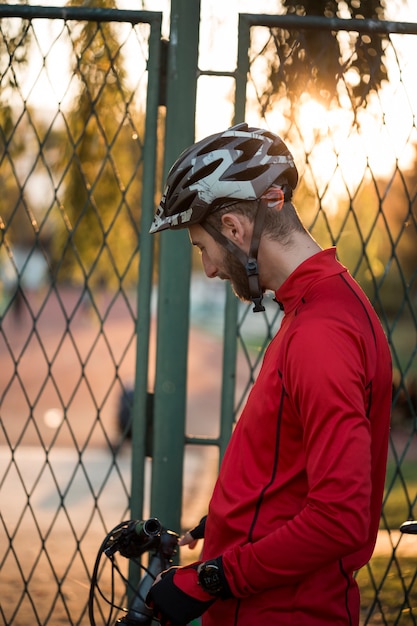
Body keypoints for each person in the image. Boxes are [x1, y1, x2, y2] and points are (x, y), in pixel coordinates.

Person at [146, 123, 392, 626]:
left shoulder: (322, 334)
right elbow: (291, 470)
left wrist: (212, 577)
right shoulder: (314, 309)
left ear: (234, 228)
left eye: (201, 248)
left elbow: (340, 518)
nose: (210, 269)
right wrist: (215, 529)